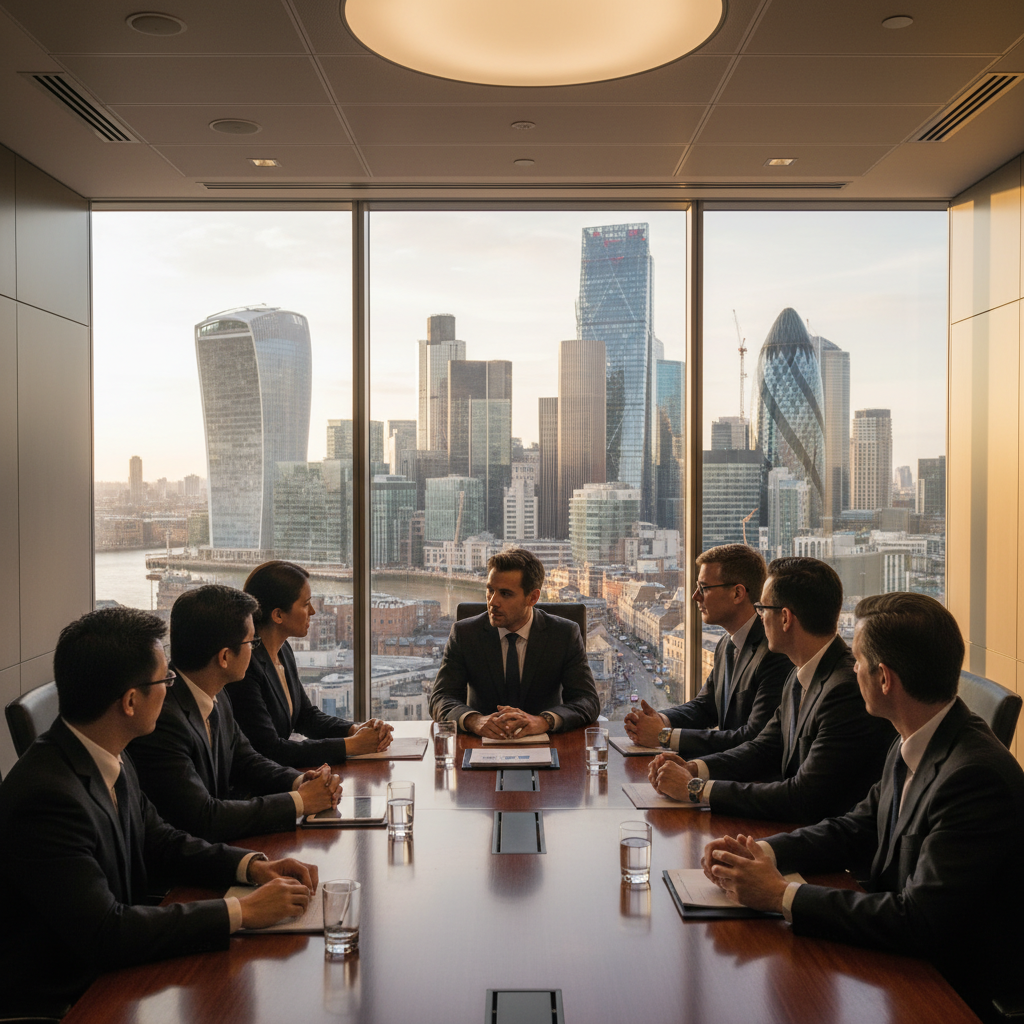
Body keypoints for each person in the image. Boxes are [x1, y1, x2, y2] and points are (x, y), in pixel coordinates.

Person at [702, 593, 1024, 1018]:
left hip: (949, 991)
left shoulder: (974, 777)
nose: (852, 670)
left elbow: (919, 920)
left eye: (857, 661)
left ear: (885, 678)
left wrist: (782, 895)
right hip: (898, 964)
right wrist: (762, 853)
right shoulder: (914, 737)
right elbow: (855, 827)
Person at [0, 608, 318, 1017]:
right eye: (165, 679)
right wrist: (243, 911)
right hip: (74, 1001)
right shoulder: (46, 799)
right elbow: (106, 932)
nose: (172, 689)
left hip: (121, 976)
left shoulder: (103, 751)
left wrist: (254, 867)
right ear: (130, 701)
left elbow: (161, 840)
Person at [648, 557, 894, 822]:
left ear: (785, 618)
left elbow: (803, 796)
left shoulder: (844, 690)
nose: (759, 616)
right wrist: (694, 768)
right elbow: (763, 748)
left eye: (763, 608)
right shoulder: (799, 674)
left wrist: (695, 789)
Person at [129, 585, 342, 843]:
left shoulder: (216, 694)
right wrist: (298, 802)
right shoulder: (163, 720)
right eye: (251, 642)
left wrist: (299, 781)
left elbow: (246, 760)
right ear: (225, 657)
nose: (255, 649)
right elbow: (203, 817)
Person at [624, 544, 789, 755]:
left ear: (738, 593)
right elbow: (705, 707)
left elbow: (752, 738)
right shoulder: (726, 644)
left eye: (704, 588)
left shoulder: (775, 652)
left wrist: (664, 736)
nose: (695, 596)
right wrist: (658, 720)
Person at [231, 560, 392, 767]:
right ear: (278, 615)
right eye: (306, 604)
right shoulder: (246, 667)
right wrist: (351, 745)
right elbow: (270, 750)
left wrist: (355, 730)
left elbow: (305, 717)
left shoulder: (283, 650)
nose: (313, 611)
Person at [429, 548, 600, 737]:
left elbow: (588, 701)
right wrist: (474, 720)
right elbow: (441, 698)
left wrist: (544, 721)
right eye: (490, 590)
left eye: (505, 594)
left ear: (533, 597)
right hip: (483, 744)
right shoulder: (465, 633)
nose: (493, 602)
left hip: (547, 745)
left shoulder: (564, 634)